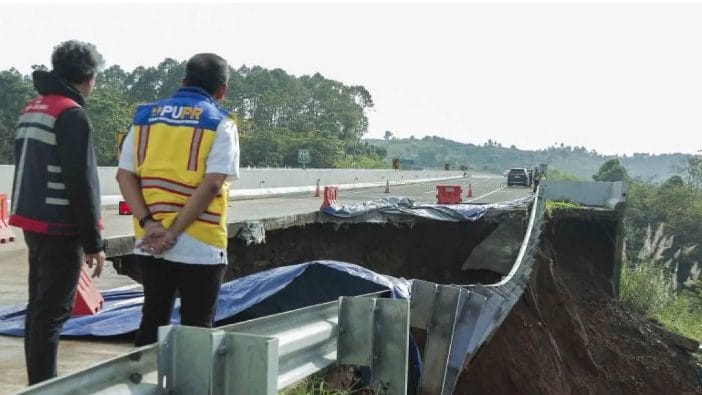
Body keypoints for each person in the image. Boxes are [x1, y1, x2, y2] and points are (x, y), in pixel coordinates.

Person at [116, 53, 239, 346]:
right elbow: (211, 185)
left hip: (150, 240)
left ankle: (142, 388)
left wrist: (150, 224)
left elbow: (124, 176)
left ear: (183, 81)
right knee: (196, 331)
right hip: (200, 242)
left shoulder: (145, 118)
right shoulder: (220, 123)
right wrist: (173, 233)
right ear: (222, 90)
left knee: (152, 322)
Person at [9, 40, 105, 385]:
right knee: (52, 312)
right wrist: (93, 241)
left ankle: (39, 380)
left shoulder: (35, 106)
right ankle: (44, 385)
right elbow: (81, 182)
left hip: (33, 221)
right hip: (60, 226)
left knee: (39, 308)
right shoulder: (71, 114)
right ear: (88, 77)